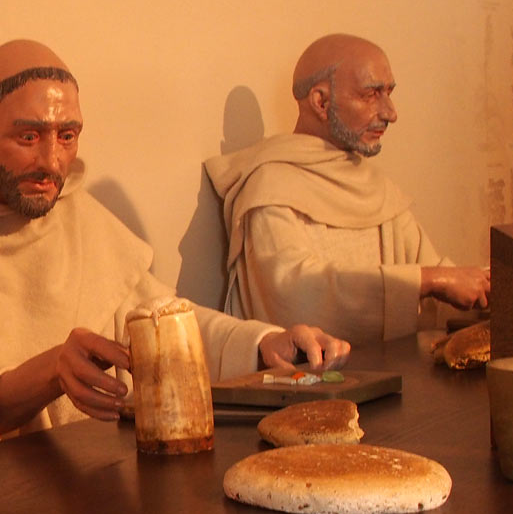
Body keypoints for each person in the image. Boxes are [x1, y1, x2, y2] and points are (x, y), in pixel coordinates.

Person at [0, 39, 349, 465]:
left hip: (99, 484)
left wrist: (264, 344)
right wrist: (48, 372)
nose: (52, 161)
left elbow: (163, 322)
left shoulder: (77, 215)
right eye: (28, 136)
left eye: (66, 136)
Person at [205, 33, 490, 342]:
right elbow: (296, 294)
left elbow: (439, 283)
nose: (390, 113)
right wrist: (428, 280)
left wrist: (486, 287)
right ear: (321, 101)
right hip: (314, 382)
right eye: (371, 94)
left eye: (389, 93)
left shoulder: (374, 188)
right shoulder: (271, 186)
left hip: (398, 373)